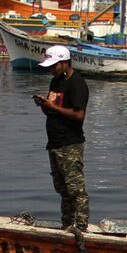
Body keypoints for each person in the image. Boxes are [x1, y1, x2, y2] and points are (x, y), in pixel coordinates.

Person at [32, 45, 90, 231]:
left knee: (76, 190)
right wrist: (44, 105)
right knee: (63, 190)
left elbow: (79, 115)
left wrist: (52, 107)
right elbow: (52, 111)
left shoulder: (77, 83)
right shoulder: (55, 81)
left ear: (64, 63)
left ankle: (81, 229)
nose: (51, 70)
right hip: (54, 143)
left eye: (54, 66)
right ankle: (67, 225)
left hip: (70, 143)